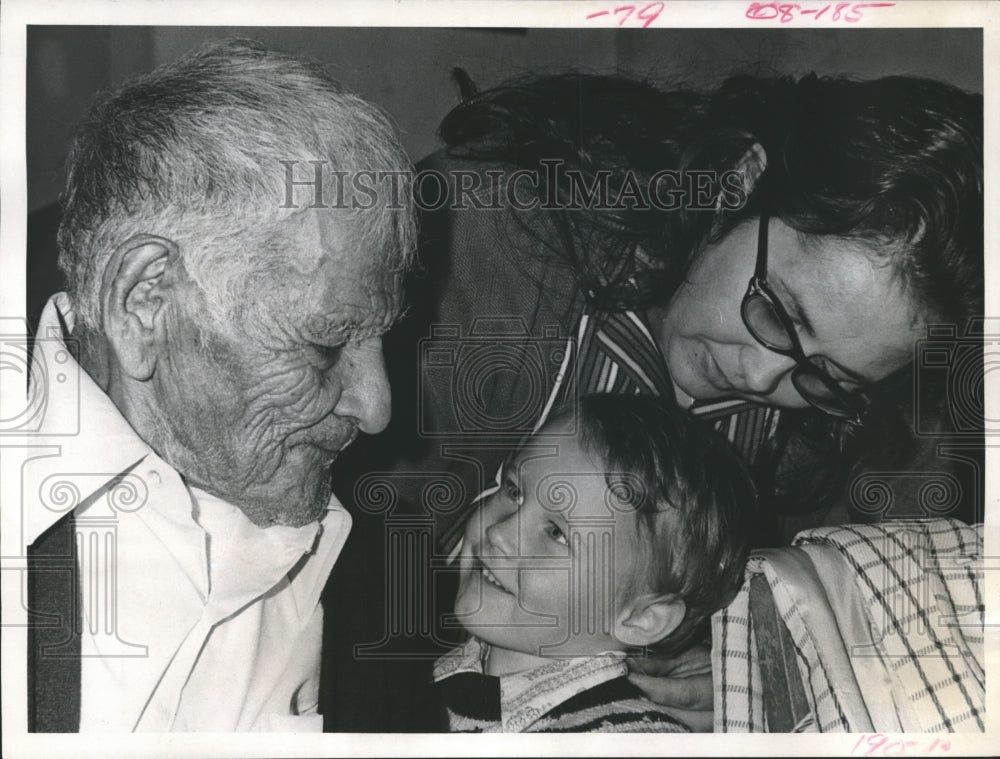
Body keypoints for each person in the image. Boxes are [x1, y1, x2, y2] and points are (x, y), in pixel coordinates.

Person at [332, 70, 982, 729]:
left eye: (827, 377)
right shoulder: (488, 235)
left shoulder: (835, 432)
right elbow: (333, 526)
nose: (760, 378)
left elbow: (868, 612)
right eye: (777, 313)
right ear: (737, 181)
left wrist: (741, 650)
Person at [24, 39, 414, 732]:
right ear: (146, 301)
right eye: (325, 344)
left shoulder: (373, 567)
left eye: (383, 338)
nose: (378, 406)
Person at [432, 394, 755, 732]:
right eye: (515, 491)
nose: (499, 532)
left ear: (641, 618)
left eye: (557, 532)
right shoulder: (442, 674)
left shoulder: (627, 738)